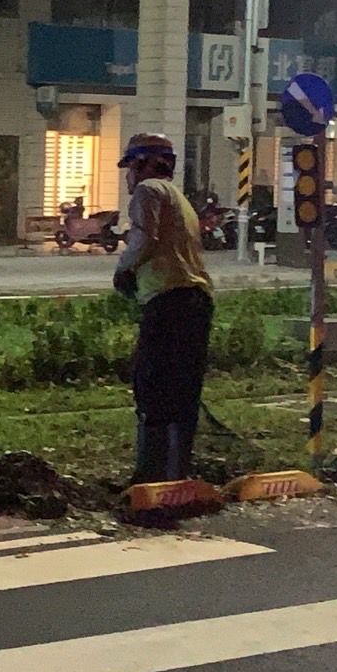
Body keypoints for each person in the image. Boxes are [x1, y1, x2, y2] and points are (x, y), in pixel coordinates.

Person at [112, 133, 215, 485]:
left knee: (152, 388)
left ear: (143, 163)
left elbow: (145, 237)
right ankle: (177, 474)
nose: (128, 177)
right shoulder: (180, 198)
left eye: (129, 167)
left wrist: (124, 269)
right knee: (183, 395)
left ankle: (149, 476)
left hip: (168, 300)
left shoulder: (148, 191)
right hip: (196, 301)